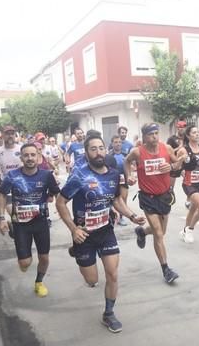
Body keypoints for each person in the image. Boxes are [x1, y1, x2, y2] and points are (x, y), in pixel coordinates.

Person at [56, 132, 146, 333]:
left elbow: (116, 200)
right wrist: (73, 229)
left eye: (100, 148)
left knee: (112, 275)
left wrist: (132, 216)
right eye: (93, 149)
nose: (98, 152)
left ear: (106, 150)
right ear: (86, 153)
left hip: (105, 230)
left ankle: (109, 314)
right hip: (84, 235)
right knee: (92, 281)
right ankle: (76, 250)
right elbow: (60, 202)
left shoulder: (113, 174)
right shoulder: (79, 176)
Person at [0, 143, 60, 297]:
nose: (30, 158)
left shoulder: (46, 175)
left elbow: (55, 192)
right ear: (21, 157)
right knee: (25, 263)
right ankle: (23, 258)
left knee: (44, 257)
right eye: (26, 155)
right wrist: (1, 218)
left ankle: (39, 282)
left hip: (41, 222)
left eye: (33, 155)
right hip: (20, 224)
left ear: (38, 156)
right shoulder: (12, 176)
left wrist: (53, 200)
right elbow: (2, 194)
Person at [124, 123, 181, 284]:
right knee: (158, 232)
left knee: (161, 231)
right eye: (151, 134)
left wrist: (170, 166)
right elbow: (126, 162)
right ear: (144, 137)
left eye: (156, 133)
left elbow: (178, 164)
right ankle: (166, 270)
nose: (155, 136)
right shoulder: (137, 152)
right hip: (148, 197)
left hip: (164, 196)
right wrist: (129, 176)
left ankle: (142, 232)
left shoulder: (167, 149)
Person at [178, 125, 199, 243]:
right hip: (189, 183)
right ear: (188, 135)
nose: (197, 134)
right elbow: (176, 167)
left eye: (198, 132)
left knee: (193, 209)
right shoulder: (183, 150)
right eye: (194, 132)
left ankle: (185, 230)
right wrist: (181, 170)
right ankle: (190, 230)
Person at [110, 135, 129, 226]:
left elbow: (130, 166)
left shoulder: (125, 154)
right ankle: (112, 216)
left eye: (119, 142)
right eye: (115, 142)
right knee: (112, 199)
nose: (118, 144)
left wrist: (130, 176)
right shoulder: (109, 155)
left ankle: (122, 217)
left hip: (123, 179)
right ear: (112, 144)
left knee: (124, 198)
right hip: (112, 180)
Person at [166, 119, 187, 191]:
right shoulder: (171, 139)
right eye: (180, 127)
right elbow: (167, 152)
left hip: (185, 164)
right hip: (175, 163)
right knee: (170, 188)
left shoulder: (187, 138)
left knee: (190, 183)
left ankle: (189, 200)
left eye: (183, 127)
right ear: (177, 128)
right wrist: (178, 148)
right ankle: (169, 198)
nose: (182, 129)